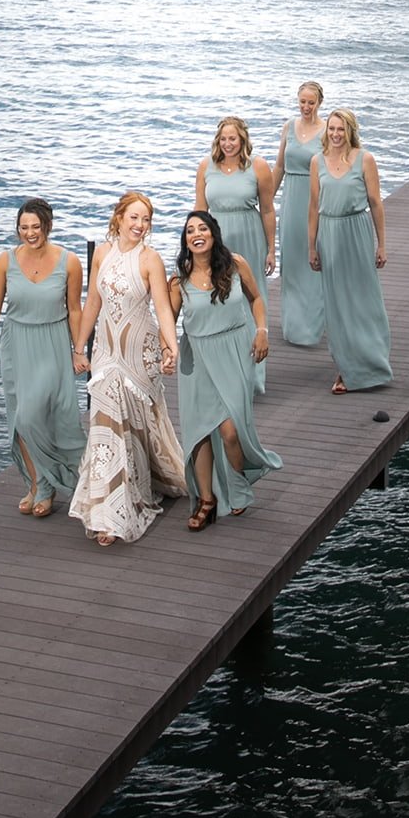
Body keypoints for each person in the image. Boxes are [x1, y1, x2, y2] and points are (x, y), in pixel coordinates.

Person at [70, 190, 186, 545]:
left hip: (141, 353)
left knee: (135, 425)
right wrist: (79, 346)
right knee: (106, 425)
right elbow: (92, 302)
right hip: (106, 352)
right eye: (134, 217)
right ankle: (109, 513)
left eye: (146, 219)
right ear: (119, 218)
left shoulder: (151, 259)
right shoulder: (102, 253)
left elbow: (163, 309)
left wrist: (171, 345)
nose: (140, 225)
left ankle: (144, 484)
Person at [169, 210, 280, 530]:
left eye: (202, 228)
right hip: (197, 358)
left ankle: (237, 483)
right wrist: (163, 350)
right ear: (185, 241)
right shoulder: (179, 281)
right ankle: (206, 500)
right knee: (201, 432)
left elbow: (257, 298)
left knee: (230, 430)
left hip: (233, 351)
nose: (196, 233)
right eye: (190, 231)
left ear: (213, 234)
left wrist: (262, 331)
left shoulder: (236, 264)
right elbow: (167, 323)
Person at [0, 198, 84, 517]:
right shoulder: (5, 261)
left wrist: (79, 350)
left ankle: (58, 480)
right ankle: (39, 485)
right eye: (24, 227)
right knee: (20, 419)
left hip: (52, 342)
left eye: (36, 227)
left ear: (47, 226)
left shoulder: (69, 261)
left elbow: (75, 309)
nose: (30, 233)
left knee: (37, 416)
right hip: (16, 342)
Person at [309, 107, 391, 393]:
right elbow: (313, 208)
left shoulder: (365, 159)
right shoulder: (317, 162)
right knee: (337, 305)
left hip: (356, 231)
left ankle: (374, 362)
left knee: (363, 300)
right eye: (331, 128)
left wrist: (381, 244)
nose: (335, 134)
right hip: (329, 235)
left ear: (350, 131)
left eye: (340, 129)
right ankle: (345, 369)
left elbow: (376, 203)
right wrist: (312, 247)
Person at [271, 80, 327, 347]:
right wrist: (267, 200)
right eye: (302, 102)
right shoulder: (288, 127)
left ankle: (315, 324)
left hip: (315, 197)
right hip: (291, 198)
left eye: (311, 102)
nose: (306, 107)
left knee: (314, 259)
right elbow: (280, 166)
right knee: (292, 261)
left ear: (319, 103)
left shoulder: (327, 130)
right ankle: (293, 325)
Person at [195, 116, 277, 278]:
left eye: (232, 139)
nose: (227, 144)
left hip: (250, 236)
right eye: (223, 139)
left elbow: (267, 211)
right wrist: (195, 245)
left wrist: (272, 250)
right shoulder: (206, 166)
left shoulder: (259, 166)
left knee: (251, 289)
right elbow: (200, 210)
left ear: (242, 139)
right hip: (216, 237)